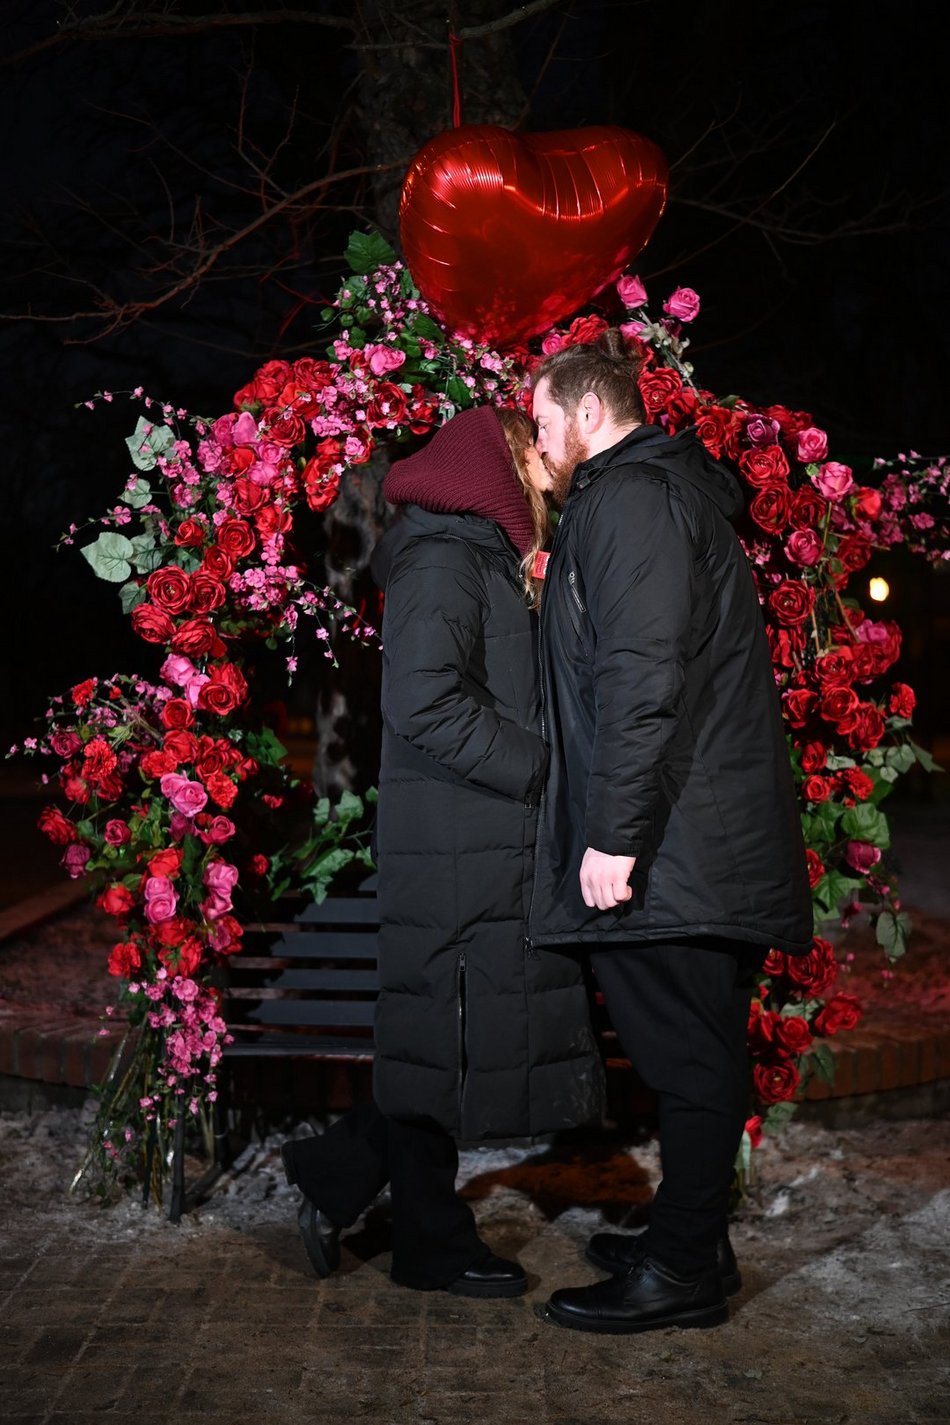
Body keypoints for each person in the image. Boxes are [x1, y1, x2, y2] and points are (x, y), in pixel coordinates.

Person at [281, 403, 604, 1298]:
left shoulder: (473, 553)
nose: (546, 458)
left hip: (477, 833)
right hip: (462, 833)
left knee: (444, 1035)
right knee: (444, 1035)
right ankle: (426, 1238)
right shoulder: (441, 557)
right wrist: (543, 769)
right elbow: (423, 703)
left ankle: (340, 1176)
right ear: (495, 462)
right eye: (531, 446)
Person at [527, 330, 813, 1333]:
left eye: (542, 422)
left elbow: (639, 678)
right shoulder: (642, 498)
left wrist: (611, 837)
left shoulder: (629, 500)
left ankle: (683, 1272)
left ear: (586, 412)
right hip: (689, 835)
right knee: (691, 1051)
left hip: (672, 844)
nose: (538, 443)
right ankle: (693, 1240)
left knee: (687, 1062)